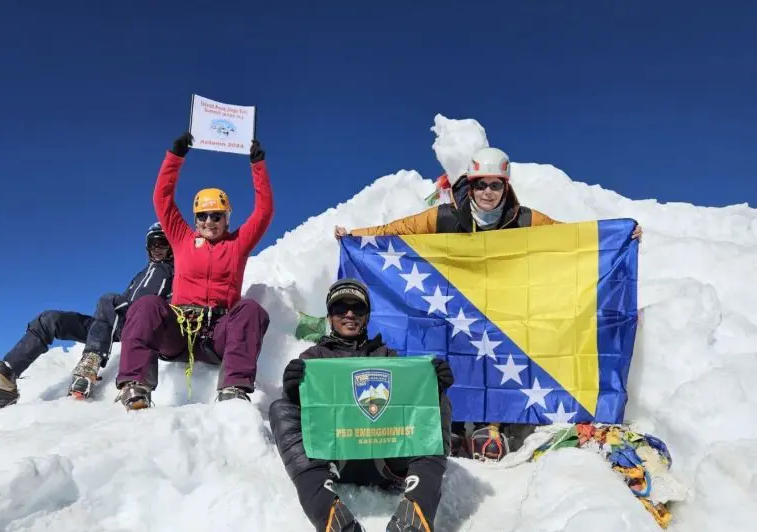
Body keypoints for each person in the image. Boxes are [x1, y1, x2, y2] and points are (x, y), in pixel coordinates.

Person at [334, 147, 644, 461]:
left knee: (497, 359)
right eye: (480, 184)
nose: (487, 192)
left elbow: (572, 242)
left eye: (495, 185)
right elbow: (397, 232)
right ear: (470, 184)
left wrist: (619, 238)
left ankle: (491, 425)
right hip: (448, 309)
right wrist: (354, 237)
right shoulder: (443, 216)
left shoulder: (525, 219)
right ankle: (450, 424)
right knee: (447, 355)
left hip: (504, 313)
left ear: (505, 187)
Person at [269, 279, 454, 532]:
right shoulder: (313, 359)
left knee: (438, 401)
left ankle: (418, 511)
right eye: (340, 308)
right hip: (336, 461)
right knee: (280, 408)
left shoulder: (387, 357)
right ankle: (330, 516)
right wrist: (293, 392)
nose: (349, 314)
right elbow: (300, 417)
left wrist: (433, 386)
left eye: (357, 308)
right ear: (330, 316)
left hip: (387, 461)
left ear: (366, 316)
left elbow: (413, 406)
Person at [114, 132, 273, 410]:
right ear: (195, 218)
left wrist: (257, 166)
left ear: (226, 218)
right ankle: (135, 386)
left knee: (250, 310)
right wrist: (175, 157)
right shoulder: (182, 238)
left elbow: (264, 211)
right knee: (148, 304)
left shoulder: (237, 244)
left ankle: (233, 390)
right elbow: (162, 198)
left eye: (216, 216)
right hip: (179, 332)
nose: (209, 221)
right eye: (202, 215)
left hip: (219, 335)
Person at [0, 223, 174, 407]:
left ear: (172, 246)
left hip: (140, 326)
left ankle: (91, 361)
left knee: (108, 299)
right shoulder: (141, 275)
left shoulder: (178, 272)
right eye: (152, 244)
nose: (157, 249)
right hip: (112, 324)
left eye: (162, 244)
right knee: (49, 319)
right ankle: (7, 374)